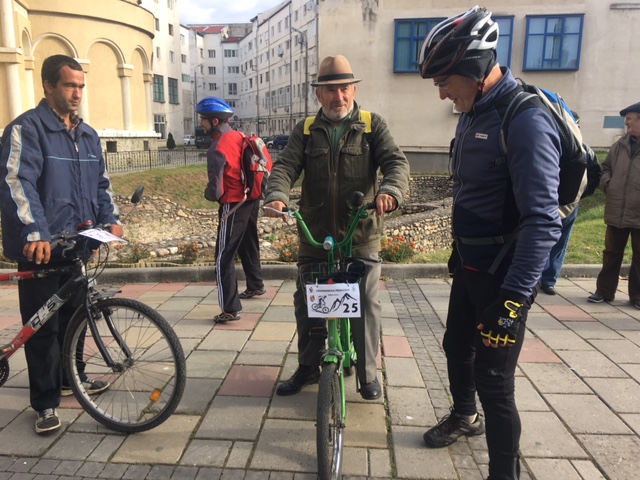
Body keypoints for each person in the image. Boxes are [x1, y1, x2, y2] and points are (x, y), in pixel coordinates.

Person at [418, 7, 562, 480]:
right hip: (472, 266)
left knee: (495, 382)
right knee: (455, 346)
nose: (441, 92)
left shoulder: (525, 119)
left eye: (444, 80)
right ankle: (464, 416)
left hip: (504, 276)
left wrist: (514, 301)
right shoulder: (474, 109)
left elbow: (543, 222)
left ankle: (504, 473)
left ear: (475, 69)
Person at [264, 55, 410, 400]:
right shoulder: (305, 130)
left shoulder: (373, 125)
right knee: (307, 303)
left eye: (344, 89)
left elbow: (396, 162)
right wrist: (277, 195)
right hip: (316, 236)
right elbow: (285, 166)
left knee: (366, 303)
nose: (338, 97)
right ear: (319, 95)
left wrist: (390, 191)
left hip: (360, 234)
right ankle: (308, 366)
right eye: (330, 90)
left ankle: (368, 374)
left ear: (353, 90)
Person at [0, 54, 122, 434]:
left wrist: (111, 219)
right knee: (43, 328)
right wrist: (34, 233)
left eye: (81, 86)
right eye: (70, 85)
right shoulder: (26, 129)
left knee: (75, 319)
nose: (77, 94)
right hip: (42, 248)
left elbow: (101, 183)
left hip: (78, 244)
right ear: (49, 86)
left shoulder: (88, 134)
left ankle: (72, 379)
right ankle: (46, 402)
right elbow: (17, 183)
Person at [198, 97, 266, 323]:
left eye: (203, 121)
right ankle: (256, 285)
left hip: (233, 204)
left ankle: (230, 308)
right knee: (248, 241)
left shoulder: (217, 147)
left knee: (223, 257)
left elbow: (216, 191)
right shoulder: (240, 135)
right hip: (251, 198)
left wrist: (207, 194)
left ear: (215, 121)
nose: (202, 125)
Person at [587, 102, 640, 308]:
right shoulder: (620, 145)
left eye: (630, 119)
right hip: (617, 208)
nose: (626, 122)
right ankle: (604, 291)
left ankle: (637, 297)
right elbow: (606, 167)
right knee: (611, 253)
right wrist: (608, 184)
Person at [540, 111, 584, 295]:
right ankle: (536, 277)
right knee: (541, 240)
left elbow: (592, 172)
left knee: (559, 242)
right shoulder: (549, 143)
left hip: (570, 203)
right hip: (548, 201)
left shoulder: (580, 147)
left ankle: (548, 280)